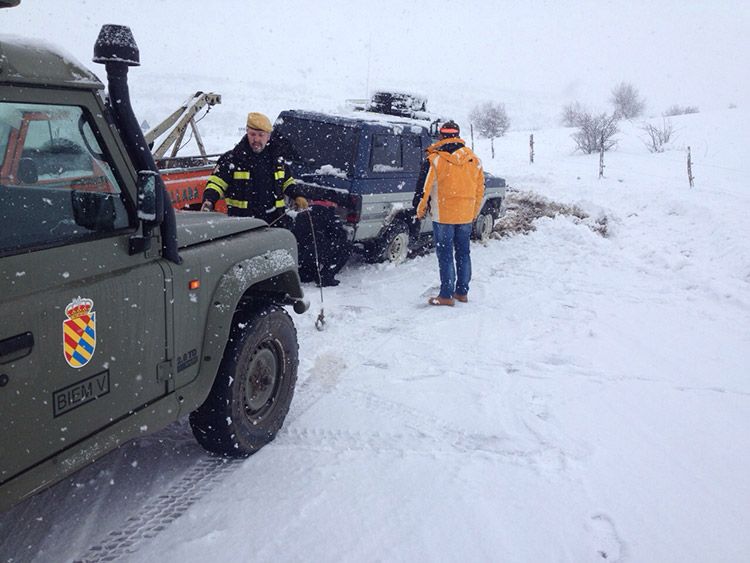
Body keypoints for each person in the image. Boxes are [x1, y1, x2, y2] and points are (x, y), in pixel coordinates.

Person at [414, 120, 484, 306]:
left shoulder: (435, 159)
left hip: (443, 214)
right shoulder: (474, 160)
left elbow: (424, 189)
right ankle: (461, 292)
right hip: (465, 215)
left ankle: (446, 295)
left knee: (445, 254)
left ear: (441, 136)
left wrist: (419, 211)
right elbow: (479, 190)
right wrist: (474, 212)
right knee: (463, 253)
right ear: (458, 136)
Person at [200, 112, 308, 228]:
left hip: (274, 224)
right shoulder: (232, 159)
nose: (256, 139)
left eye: (261, 135)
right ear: (247, 133)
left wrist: (298, 195)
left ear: (268, 136)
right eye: (253, 134)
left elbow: (287, 182)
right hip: (241, 225)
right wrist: (209, 200)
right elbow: (216, 183)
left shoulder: (277, 160)